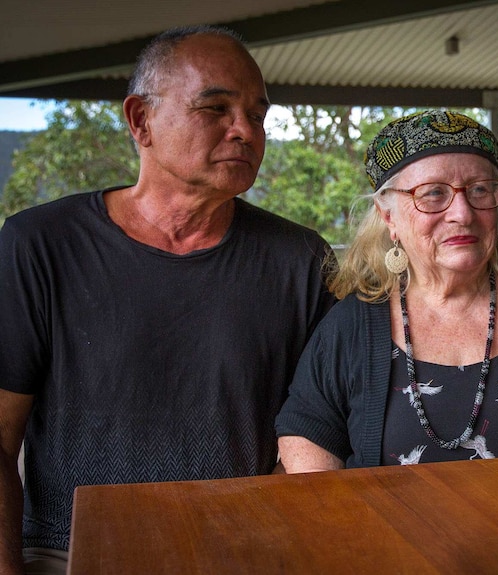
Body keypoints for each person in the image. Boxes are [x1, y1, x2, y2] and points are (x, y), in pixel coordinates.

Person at [0, 26, 336, 574]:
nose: (245, 131)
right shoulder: (40, 245)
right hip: (67, 550)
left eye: (258, 114)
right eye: (215, 108)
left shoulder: (299, 260)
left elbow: (320, 429)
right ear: (140, 121)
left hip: (242, 551)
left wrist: (262, 539)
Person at [275, 110, 498, 472]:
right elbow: (308, 451)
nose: (462, 213)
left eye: (480, 189)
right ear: (389, 216)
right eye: (434, 194)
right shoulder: (351, 327)